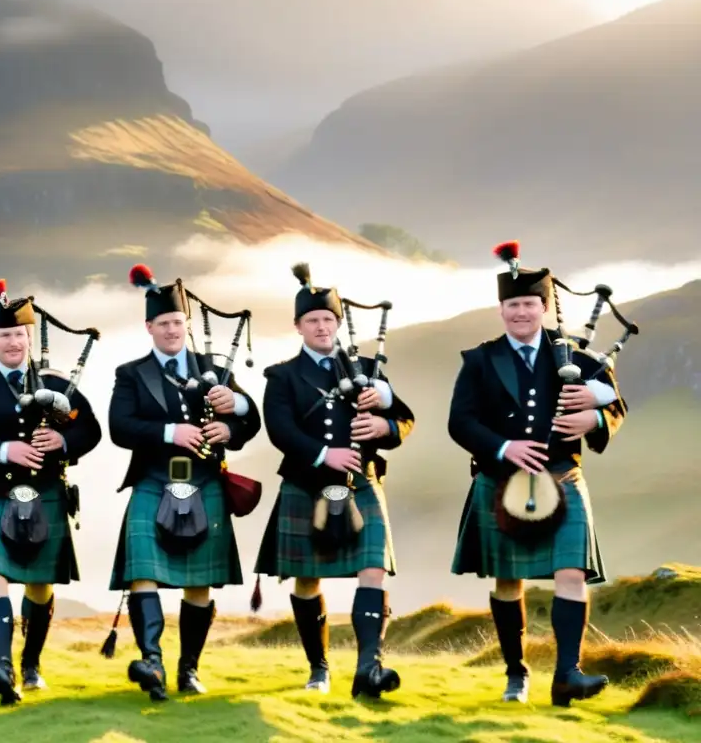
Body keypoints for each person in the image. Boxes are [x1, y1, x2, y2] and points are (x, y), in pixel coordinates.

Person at [448, 240, 629, 707]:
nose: (521, 313)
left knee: (571, 572)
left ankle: (567, 673)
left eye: (529, 304)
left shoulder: (575, 357)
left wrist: (595, 418)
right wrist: (505, 446)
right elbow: (460, 422)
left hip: (564, 476)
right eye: (513, 305)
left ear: (544, 307)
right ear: (501, 309)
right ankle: (516, 673)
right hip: (501, 480)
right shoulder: (480, 359)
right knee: (508, 581)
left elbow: (615, 404)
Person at [252, 262, 415, 700]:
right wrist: (326, 453)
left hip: (362, 483)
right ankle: (319, 668)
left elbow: (404, 420)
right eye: (312, 320)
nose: (321, 326)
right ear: (298, 326)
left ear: (338, 323)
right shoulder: (282, 375)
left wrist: (383, 429)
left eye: (328, 319)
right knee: (307, 579)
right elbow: (280, 429)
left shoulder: (366, 369)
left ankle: (369, 669)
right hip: (306, 483)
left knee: (373, 570)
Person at [0, 279, 102, 706]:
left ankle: (31, 664)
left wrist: (63, 443)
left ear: (30, 337)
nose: (13, 341)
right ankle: (3, 667)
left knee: (39, 587)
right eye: (5, 334)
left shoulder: (58, 384)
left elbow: (91, 429)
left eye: (20, 334)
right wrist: (2, 449)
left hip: (45, 492)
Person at [107, 263, 262, 701]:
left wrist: (235, 418)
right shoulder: (131, 374)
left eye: (178, 322)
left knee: (200, 582)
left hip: (205, 481)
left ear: (186, 324)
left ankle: (189, 670)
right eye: (164, 323)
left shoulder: (215, 368)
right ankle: (151, 662)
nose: (172, 330)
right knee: (144, 574)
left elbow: (251, 422)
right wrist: (168, 432)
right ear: (149, 327)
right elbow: (120, 427)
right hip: (153, 480)